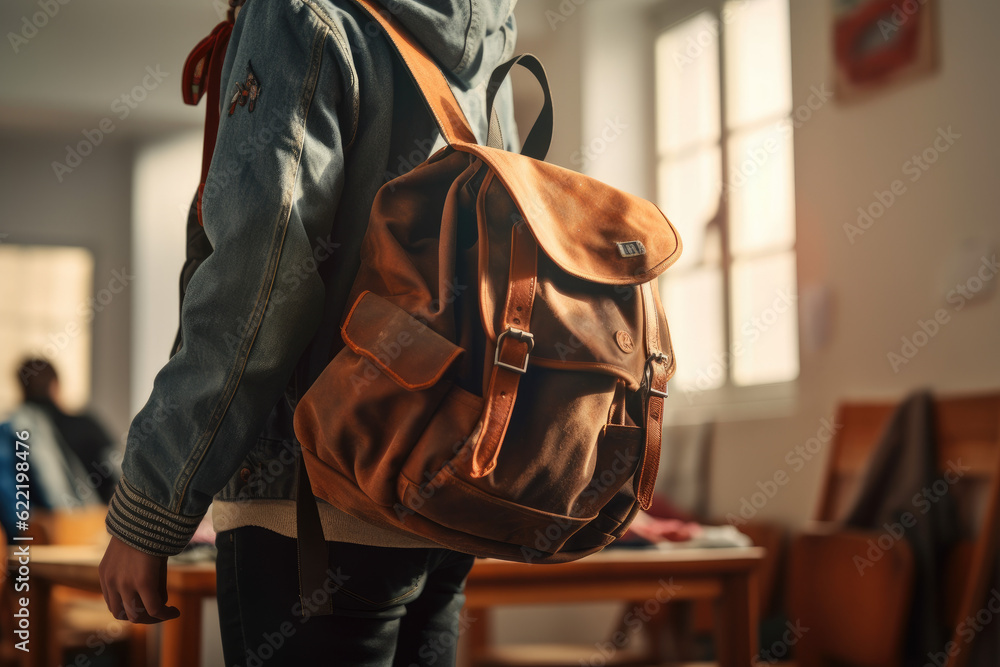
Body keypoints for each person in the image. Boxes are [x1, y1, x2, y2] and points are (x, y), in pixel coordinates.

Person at [98, 0, 519, 664]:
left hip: (312, 500)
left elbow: (260, 280)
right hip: (445, 493)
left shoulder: (299, 13)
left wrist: (151, 500)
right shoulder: (486, 32)